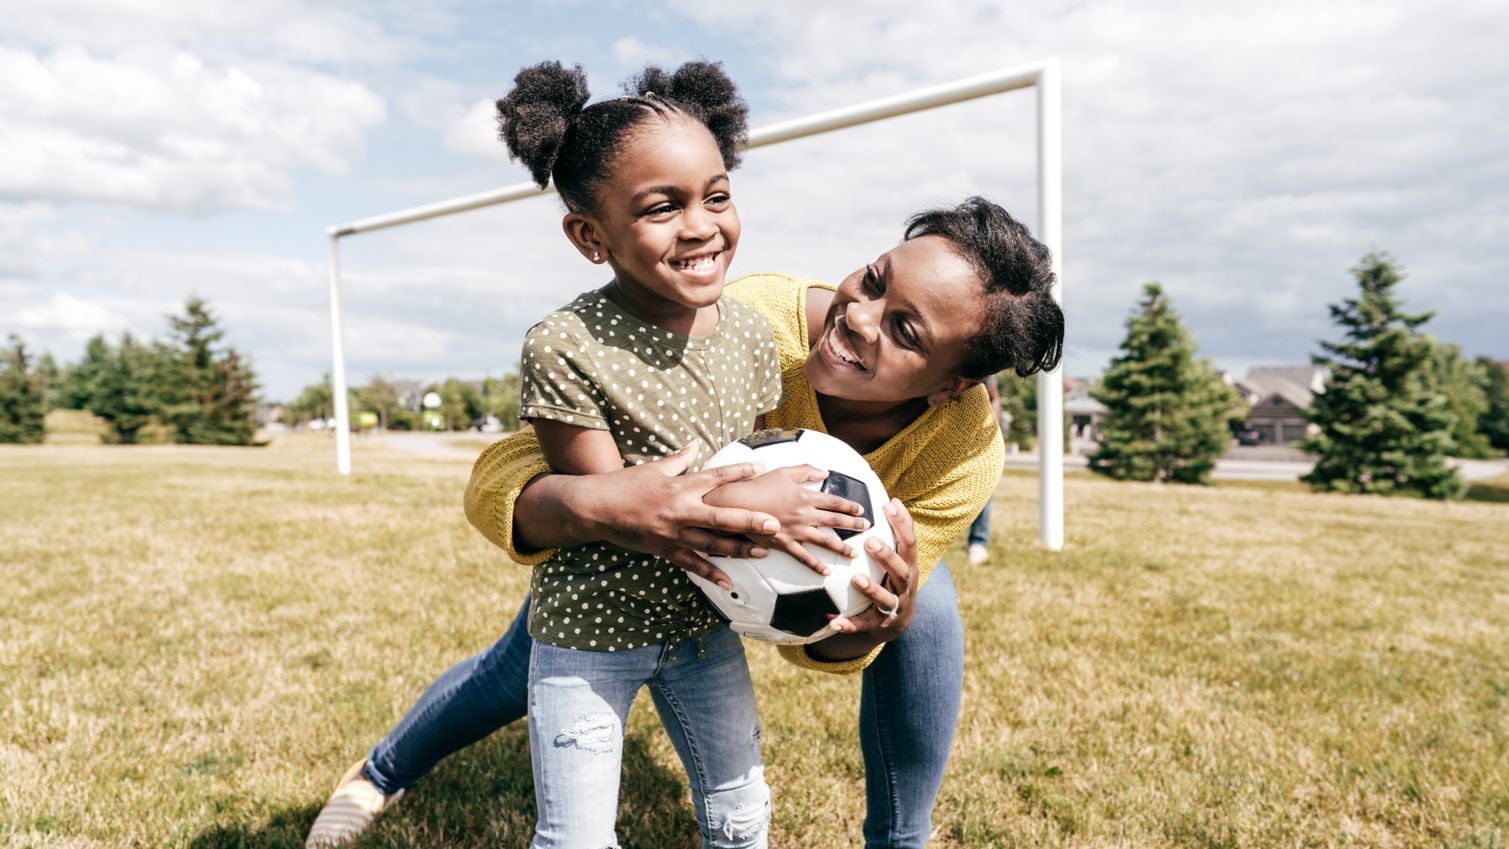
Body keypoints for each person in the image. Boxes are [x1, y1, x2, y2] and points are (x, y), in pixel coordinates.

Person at [309, 194, 1063, 848]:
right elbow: (501, 473)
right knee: (516, 667)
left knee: (924, 607)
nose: (857, 317)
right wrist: (618, 505)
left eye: (905, 332)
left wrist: (868, 628)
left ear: (951, 385)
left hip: (779, 589)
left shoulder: (963, 448)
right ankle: (377, 774)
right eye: (871, 279)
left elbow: (817, 648)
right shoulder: (743, 321)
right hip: (633, 546)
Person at [306, 59, 807, 849]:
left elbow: (762, 451)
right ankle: (377, 773)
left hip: (706, 626)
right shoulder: (565, 343)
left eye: (716, 194)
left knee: (742, 820)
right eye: (661, 207)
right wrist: (753, 508)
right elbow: (620, 507)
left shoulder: (749, 332)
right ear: (589, 236)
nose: (702, 224)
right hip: (591, 633)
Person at [967, 374, 1003, 566]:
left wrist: (993, 431)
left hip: (976, 432)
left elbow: (993, 396)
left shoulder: (985, 371)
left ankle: (978, 542)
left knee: (983, 487)